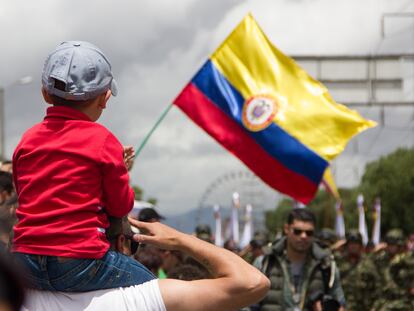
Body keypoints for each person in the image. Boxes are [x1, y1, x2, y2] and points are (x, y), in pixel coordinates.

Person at [12, 41, 155, 292]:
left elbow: (27, 193)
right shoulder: (104, 140)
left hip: (25, 262)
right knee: (152, 289)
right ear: (105, 98)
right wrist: (119, 169)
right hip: (80, 262)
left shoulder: (27, 140)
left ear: (45, 93)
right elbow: (121, 205)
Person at [21, 219, 270, 311]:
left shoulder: (18, 296)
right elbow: (253, 283)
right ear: (122, 242)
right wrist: (180, 239)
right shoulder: (141, 298)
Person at [259, 208, 345, 311]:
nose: (303, 236)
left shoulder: (327, 266)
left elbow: (340, 305)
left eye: (309, 233)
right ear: (287, 229)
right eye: (297, 231)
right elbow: (247, 305)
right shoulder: (265, 262)